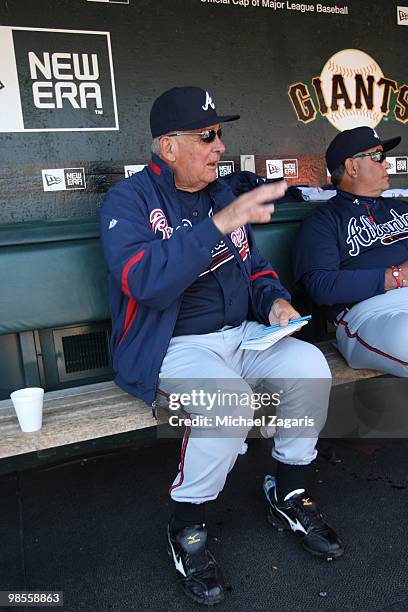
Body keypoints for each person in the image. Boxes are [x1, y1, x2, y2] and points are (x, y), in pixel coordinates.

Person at [99, 86, 343, 606]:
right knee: (228, 405)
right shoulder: (130, 199)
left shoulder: (219, 195)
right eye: (206, 136)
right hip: (175, 345)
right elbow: (143, 281)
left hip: (242, 336)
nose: (219, 145)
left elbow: (254, 269)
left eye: (219, 134)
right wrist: (221, 222)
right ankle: (187, 522)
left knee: (310, 367)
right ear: (168, 146)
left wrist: (275, 301)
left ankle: (289, 489)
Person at [293, 126, 408, 377]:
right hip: (370, 313)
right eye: (378, 157)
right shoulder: (323, 222)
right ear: (352, 167)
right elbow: (321, 285)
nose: (386, 165)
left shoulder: (401, 209)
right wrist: (396, 276)